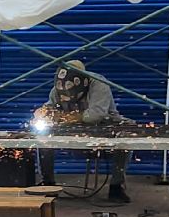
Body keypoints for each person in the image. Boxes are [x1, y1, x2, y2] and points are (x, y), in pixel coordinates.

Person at [35, 62, 130, 204]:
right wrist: (44, 113)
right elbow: (49, 106)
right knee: (43, 139)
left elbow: (96, 114)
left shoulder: (99, 85)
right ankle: (48, 183)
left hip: (105, 125)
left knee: (124, 141)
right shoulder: (57, 89)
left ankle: (117, 186)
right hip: (72, 128)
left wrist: (67, 117)